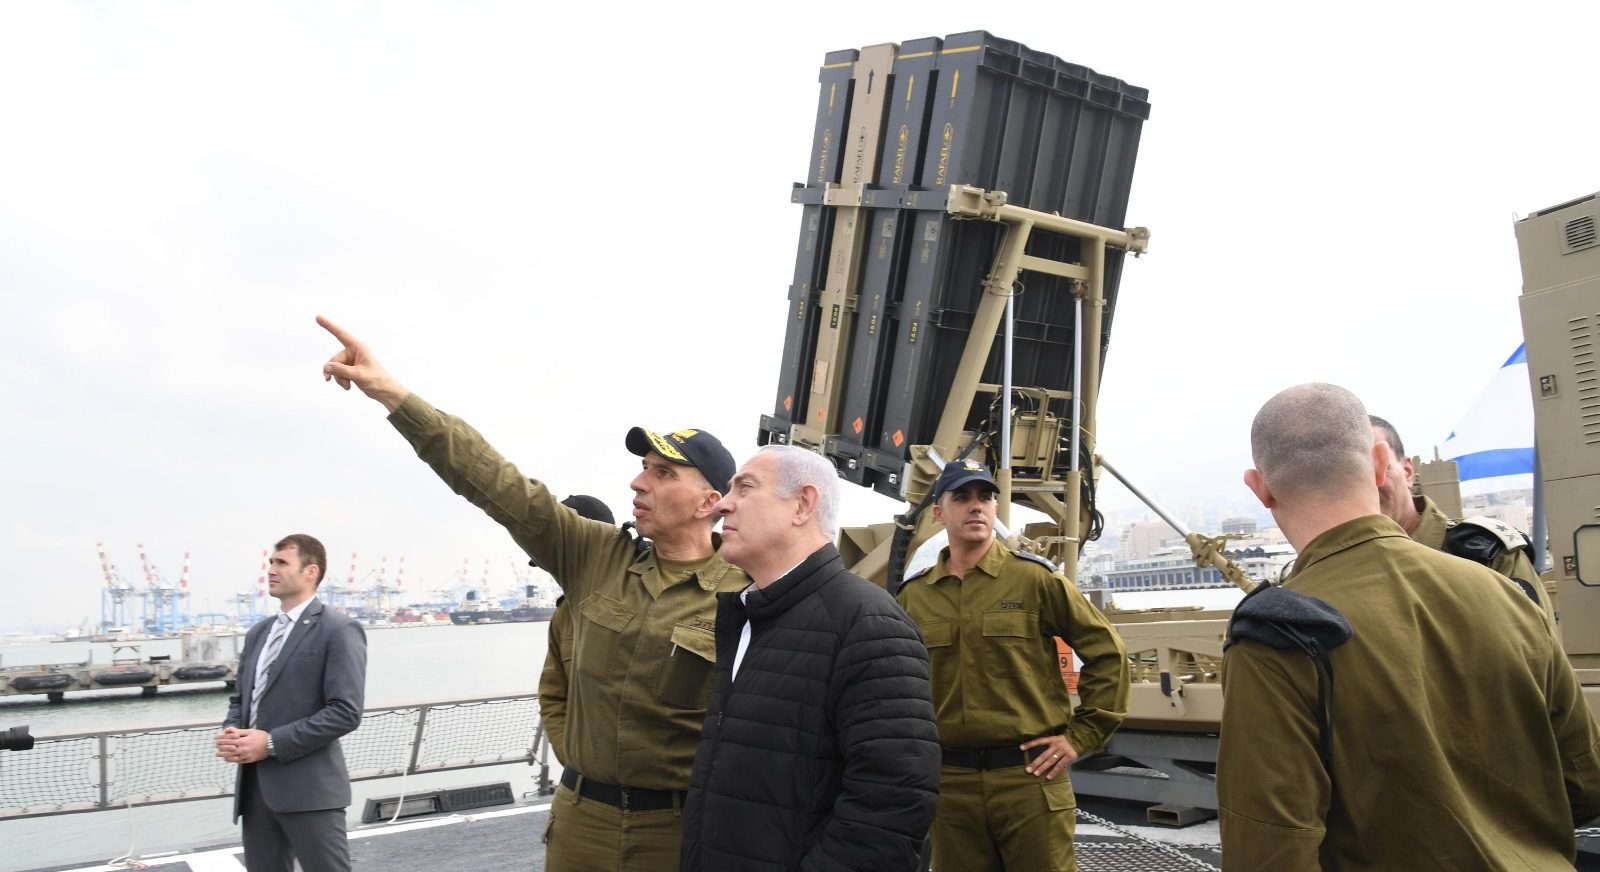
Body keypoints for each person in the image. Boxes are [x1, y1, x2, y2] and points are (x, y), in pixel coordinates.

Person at [318, 316, 749, 872]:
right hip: (581, 822)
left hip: (681, 830)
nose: (639, 484)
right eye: (643, 469)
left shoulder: (749, 590)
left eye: (664, 474)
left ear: (709, 501)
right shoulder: (595, 556)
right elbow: (495, 481)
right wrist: (392, 394)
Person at [1219, 383, 1600, 869]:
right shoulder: (1506, 593)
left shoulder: (1276, 635)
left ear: (1260, 488)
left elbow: (1269, 856)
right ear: (1381, 463)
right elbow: (1584, 784)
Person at [679, 445, 939, 871]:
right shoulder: (747, 618)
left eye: (744, 488)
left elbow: (893, 803)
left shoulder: (868, 623)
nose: (724, 503)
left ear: (803, 504)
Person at [895, 458, 1129, 872]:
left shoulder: (1035, 581)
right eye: (962, 497)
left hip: (1029, 780)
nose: (976, 507)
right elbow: (896, 688)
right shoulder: (914, 598)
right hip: (953, 786)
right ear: (937, 512)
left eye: (985, 497)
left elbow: (1107, 653)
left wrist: (1082, 736)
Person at [215, 533, 367, 872]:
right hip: (255, 790)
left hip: (310, 791)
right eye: (271, 562)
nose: (271, 569)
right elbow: (242, 698)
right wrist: (232, 731)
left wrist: (269, 743)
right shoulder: (258, 633)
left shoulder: (339, 630)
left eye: (281, 562)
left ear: (311, 571)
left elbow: (345, 712)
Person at [1369, 414, 1552, 618]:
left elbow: (1536, 644)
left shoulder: (1486, 555)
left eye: (1376, 468)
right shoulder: (1336, 566)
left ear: (1408, 472)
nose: (1363, 485)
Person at [538, 494, 616, 767]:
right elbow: (553, 695)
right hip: (588, 780)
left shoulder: (643, 591)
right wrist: (572, 757)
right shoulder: (564, 614)